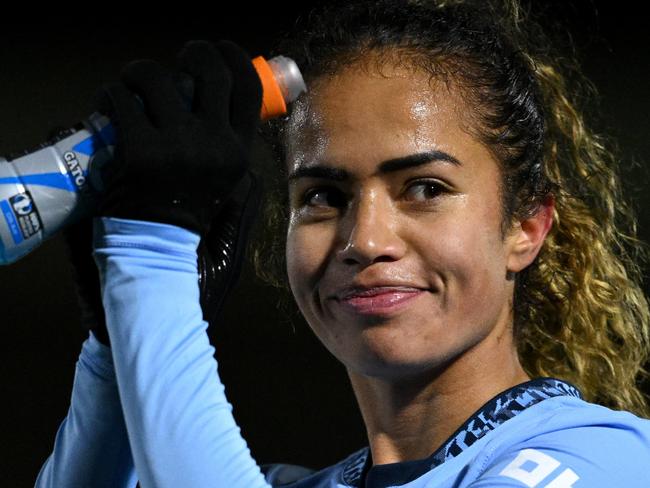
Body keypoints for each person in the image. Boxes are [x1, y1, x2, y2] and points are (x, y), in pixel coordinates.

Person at [36, 0, 650, 486]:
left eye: (425, 188)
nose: (366, 240)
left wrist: (149, 251)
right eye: (324, 197)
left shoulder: (607, 460)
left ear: (527, 227)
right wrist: (120, 348)